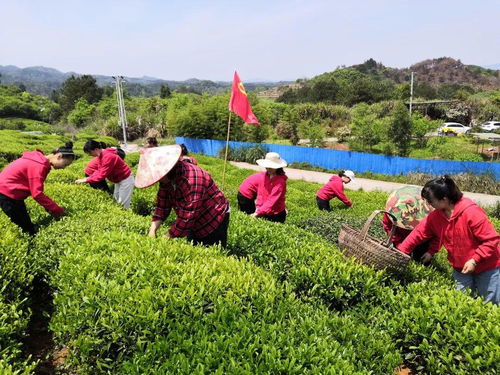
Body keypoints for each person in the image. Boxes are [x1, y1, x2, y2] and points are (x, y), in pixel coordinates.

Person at [398, 176, 499, 304]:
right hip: (461, 268)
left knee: (491, 303)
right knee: (461, 303)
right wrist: (400, 251)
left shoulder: (471, 212)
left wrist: (475, 260)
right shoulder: (436, 216)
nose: (429, 204)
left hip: (487, 267)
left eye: (431, 201)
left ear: (444, 199)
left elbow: (491, 240)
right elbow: (418, 234)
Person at [140, 145, 230, 248]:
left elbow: (187, 216)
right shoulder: (166, 179)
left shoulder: (192, 179)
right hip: (194, 219)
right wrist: (152, 230)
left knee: (210, 250)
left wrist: (165, 238)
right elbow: (162, 204)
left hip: (214, 218)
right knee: (194, 246)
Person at [0, 142, 75, 235]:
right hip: (7, 193)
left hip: (11, 192)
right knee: (28, 230)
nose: (64, 168)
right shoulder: (39, 166)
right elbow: (37, 194)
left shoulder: (39, 160)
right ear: (59, 156)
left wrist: (50, 208)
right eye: (65, 164)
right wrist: (57, 210)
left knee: (25, 222)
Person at [383, 185, 438, 264]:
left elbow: (437, 235)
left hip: (422, 241)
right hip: (400, 237)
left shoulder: (430, 216)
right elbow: (388, 227)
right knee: (399, 261)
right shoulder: (391, 212)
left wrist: (431, 252)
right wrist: (398, 243)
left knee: (422, 260)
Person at [75, 139, 134, 208]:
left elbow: (102, 174)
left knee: (123, 205)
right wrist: (87, 178)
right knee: (116, 200)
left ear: (96, 149)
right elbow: (99, 170)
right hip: (119, 180)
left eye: (90, 153)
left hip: (125, 179)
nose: (90, 155)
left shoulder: (107, 156)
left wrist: (86, 180)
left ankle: (126, 217)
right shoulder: (102, 155)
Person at [251, 152, 288, 223]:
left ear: (278, 167)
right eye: (267, 166)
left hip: (276, 214)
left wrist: (258, 213)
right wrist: (258, 208)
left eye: (271, 167)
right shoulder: (265, 176)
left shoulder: (280, 182)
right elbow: (261, 192)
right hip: (264, 211)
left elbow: (272, 200)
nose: (268, 168)